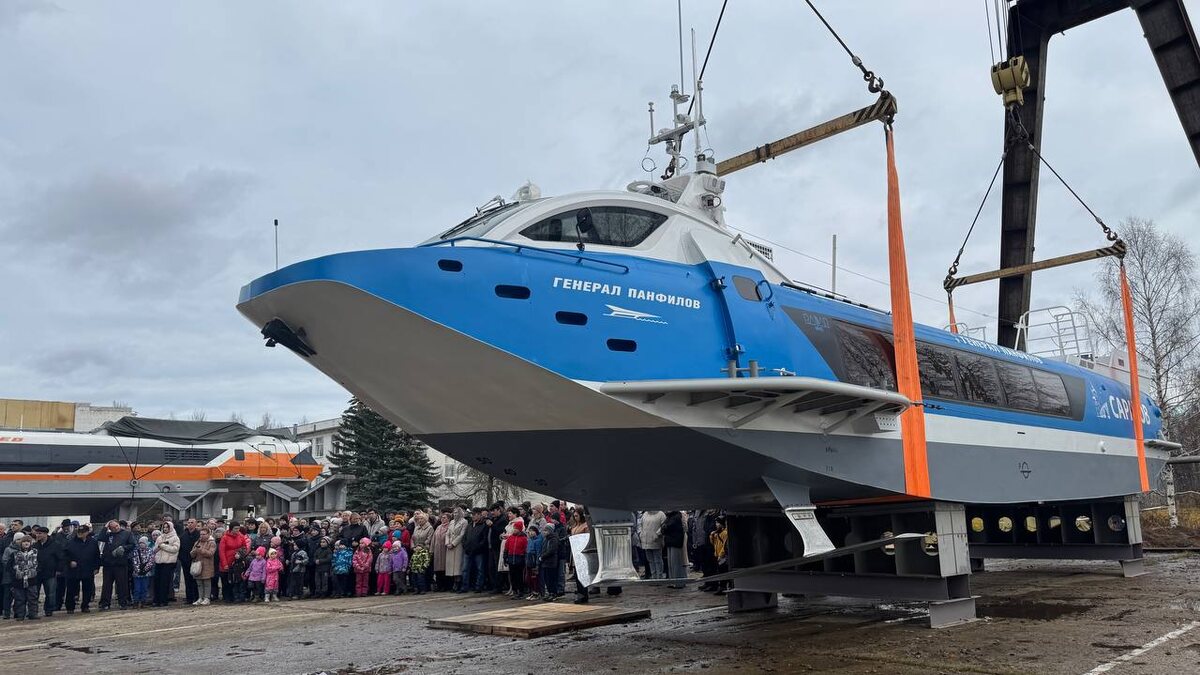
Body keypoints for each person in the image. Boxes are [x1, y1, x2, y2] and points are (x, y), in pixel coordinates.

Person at [97, 520, 134, 611]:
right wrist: (105, 527)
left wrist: (124, 548)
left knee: (122, 584)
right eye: (113, 527)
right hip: (108, 564)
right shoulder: (108, 535)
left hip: (121, 563)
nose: (116, 528)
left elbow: (132, 544)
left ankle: (123, 602)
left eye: (117, 526)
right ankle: (105, 603)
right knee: (107, 585)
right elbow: (100, 537)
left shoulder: (127, 534)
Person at [63, 524, 100, 613]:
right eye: (79, 532)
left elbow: (97, 556)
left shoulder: (93, 542)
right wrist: (69, 562)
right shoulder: (71, 542)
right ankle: (70, 607)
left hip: (88, 569)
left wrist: (96, 567)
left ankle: (85, 606)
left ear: (87, 532)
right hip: (73, 570)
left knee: (87, 589)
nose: (80, 534)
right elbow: (64, 555)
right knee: (71, 589)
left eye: (82, 532)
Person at [32, 526, 64, 618]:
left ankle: (49, 609)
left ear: (45, 534)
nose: (37, 535)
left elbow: (61, 558)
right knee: (34, 593)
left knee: (50, 593)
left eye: (39, 533)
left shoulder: (55, 545)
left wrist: (58, 570)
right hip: (36, 573)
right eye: (37, 533)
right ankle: (33, 611)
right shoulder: (34, 546)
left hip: (50, 573)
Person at [9, 534, 38, 620]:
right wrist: (15, 573)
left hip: (32, 579)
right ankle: (20, 615)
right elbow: (9, 566)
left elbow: (41, 564)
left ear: (31, 543)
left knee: (32, 598)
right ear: (20, 543)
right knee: (19, 599)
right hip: (19, 580)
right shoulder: (14, 554)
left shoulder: (36, 552)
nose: (26, 543)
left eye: (28, 541)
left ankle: (33, 614)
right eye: (24, 541)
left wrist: (36, 572)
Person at [152, 521, 180, 607]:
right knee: (157, 582)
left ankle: (164, 600)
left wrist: (163, 546)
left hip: (169, 562)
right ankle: (157, 600)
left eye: (167, 527)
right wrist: (159, 547)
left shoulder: (175, 538)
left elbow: (175, 549)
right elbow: (154, 549)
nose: (165, 529)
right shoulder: (160, 537)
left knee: (165, 582)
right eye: (164, 527)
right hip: (159, 562)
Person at [219, 525, 249, 603]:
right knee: (226, 580)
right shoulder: (225, 537)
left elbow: (245, 548)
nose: (237, 530)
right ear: (231, 529)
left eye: (238, 528)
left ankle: (236, 596)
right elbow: (221, 551)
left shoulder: (241, 536)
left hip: (238, 562)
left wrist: (241, 556)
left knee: (236, 581)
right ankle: (227, 597)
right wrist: (224, 563)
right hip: (227, 560)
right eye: (235, 528)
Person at [462, 508, 489, 593]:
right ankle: (465, 586)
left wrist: (477, 548)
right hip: (468, 551)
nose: (472, 516)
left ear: (479, 515)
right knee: (465, 569)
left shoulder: (483, 525)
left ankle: (478, 586)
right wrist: (465, 546)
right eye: (472, 515)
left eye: (474, 514)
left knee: (480, 569)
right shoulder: (470, 525)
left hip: (478, 552)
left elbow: (484, 540)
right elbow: (465, 537)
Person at [190, 527, 217, 606]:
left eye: (204, 534)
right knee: (199, 583)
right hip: (198, 565)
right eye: (201, 534)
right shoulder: (197, 542)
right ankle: (200, 598)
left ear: (208, 534)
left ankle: (207, 598)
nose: (201, 536)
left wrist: (202, 550)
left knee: (206, 583)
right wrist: (195, 551)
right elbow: (191, 554)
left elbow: (210, 553)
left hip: (207, 565)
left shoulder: (211, 543)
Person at [178, 518, 201, 605]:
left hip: (196, 561)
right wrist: (182, 559)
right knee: (187, 580)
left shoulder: (199, 535)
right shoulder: (183, 535)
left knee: (196, 580)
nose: (190, 524)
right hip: (185, 561)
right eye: (189, 523)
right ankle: (189, 598)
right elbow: (180, 548)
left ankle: (197, 597)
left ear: (195, 524)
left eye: (192, 522)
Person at [486, 504, 508, 594]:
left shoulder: (503, 520)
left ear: (499, 510)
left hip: (498, 547)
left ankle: (498, 587)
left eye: (493, 511)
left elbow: (500, 531)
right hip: (491, 547)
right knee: (491, 567)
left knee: (496, 567)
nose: (492, 513)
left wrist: (492, 525)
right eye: (491, 511)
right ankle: (494, 585)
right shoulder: (494, 519)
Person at [638, 511, 667, 580]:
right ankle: (653, 576)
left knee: (658, 560)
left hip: (656, 541)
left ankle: (659, 577)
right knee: (650, 560)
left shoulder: (661, 514)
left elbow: (664, 526)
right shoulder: (645, 514)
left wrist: (657, 535)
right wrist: (641, 534)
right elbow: (640, 525)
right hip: (645, 541)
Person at [444, 508, 466, 592]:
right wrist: (447, 543)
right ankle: (453, 583)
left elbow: (462, 534)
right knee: (451, 566)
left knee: (457, 566)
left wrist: (453, 543)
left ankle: (458, 583)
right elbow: (447, 533)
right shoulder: (452, 522)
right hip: (449, 545)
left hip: (458, 545)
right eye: (454, 513)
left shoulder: (464, 522)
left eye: (457, 513)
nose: (455, 514)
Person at [663, 510, 686, 589]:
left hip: (675, 541)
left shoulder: (677, 516)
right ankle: (673, 581)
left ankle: (679, 582)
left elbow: (669, 526)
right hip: (669, 541)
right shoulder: (669, 517)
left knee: (676, 563)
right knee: (671, 563)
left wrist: (665, 527)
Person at [503, 520, 527, 598]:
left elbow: (525, 549)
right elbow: (506, 548)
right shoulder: (510, 538)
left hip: (519, 559)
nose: (514, 530)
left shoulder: (523, 538)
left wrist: (524, 558)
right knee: (512, 576)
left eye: (516, 528)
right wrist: (505, 558)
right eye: (514, 528)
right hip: (511, 558)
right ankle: (514, 590)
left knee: (519, 576)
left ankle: (520, 591)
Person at [130, 537, 155, 607]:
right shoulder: (136, 551)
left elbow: (151, 561)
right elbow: (134, 561)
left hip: (146, 573)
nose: (141, 544)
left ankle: (143, 601)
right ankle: (136, 601)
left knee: (144, 588)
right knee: (137, 588)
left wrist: (145, 570)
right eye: (140, 543)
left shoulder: (150, 551)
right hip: (137, 574)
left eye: (143, 543)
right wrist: (138, 570)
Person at [539, 520, 559, 601]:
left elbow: (551, 550)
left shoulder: (553, 539)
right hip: (545, 562)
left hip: (551, 562)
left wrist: (542, 556)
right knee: (547, 579)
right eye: (544, 530)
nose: (544, 532)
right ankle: (550, 592)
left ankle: (553, 593)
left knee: (552, 579)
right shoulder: (545, 539)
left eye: (546, 530)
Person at [709, 517, 729, 593]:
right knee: (720, 571)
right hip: (717, 555)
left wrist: (721, 554)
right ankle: (721, 587)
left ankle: (722, 587)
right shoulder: (717, 533)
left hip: (722, 556)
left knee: (723, 571)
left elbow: (724, 546)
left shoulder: (725, 533)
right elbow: (713, 543)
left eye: (718, 523)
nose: (716, 524)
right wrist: (711, 536)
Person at [432, 512, 449, 591]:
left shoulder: (449, 527)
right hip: (437, 549)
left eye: (445, 517)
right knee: (437, 568)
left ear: (448, 519)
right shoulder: (438, 527)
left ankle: (445, 586)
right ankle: (439, 585)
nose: (443, 519)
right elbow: (433, 539)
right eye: (442, 517)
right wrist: (431, 549)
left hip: (445, 549)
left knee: (444, 568)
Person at [0, 523, 11, 619]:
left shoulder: (6, 539)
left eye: (0, 529)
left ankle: (4, 609)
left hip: (4, 569)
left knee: (4, 590)